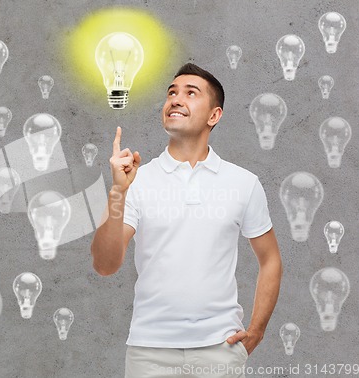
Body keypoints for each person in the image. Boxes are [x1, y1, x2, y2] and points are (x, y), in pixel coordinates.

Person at [90, 63, 282, 378]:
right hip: (148, 351)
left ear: (214, 115)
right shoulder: (137, 180)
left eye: (190, 93)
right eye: (172, 93)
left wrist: (257, 329)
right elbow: (105, 265)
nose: (176, 99)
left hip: (221, 348)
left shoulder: (243, 183)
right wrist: (117, 192)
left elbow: (271, 258)